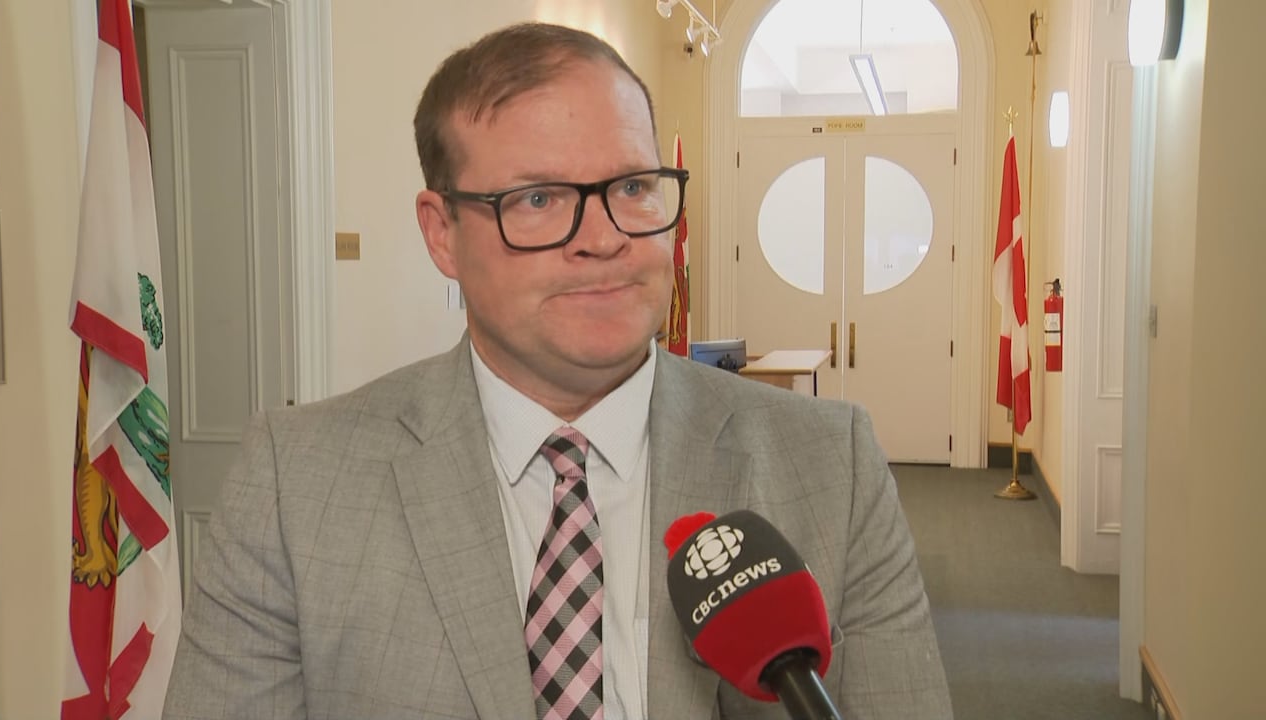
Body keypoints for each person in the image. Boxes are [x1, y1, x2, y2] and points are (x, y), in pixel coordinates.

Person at [163, 21, 952, 720]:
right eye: (539, 199)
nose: (603, 237)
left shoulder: (831, 464)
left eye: (634, 187)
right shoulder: (295, 481)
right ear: (443, 235)